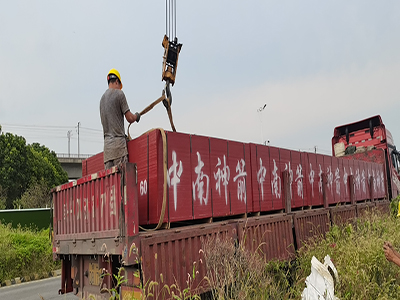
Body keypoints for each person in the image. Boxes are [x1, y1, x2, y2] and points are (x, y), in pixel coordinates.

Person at [100, 69, 140, 169]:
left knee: (110, 183)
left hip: (107, 151)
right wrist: (136, 116)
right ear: (117, 82)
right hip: (119, 148)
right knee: (122, 182)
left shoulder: (102, 100)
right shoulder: (119, 94)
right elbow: (130, 118)